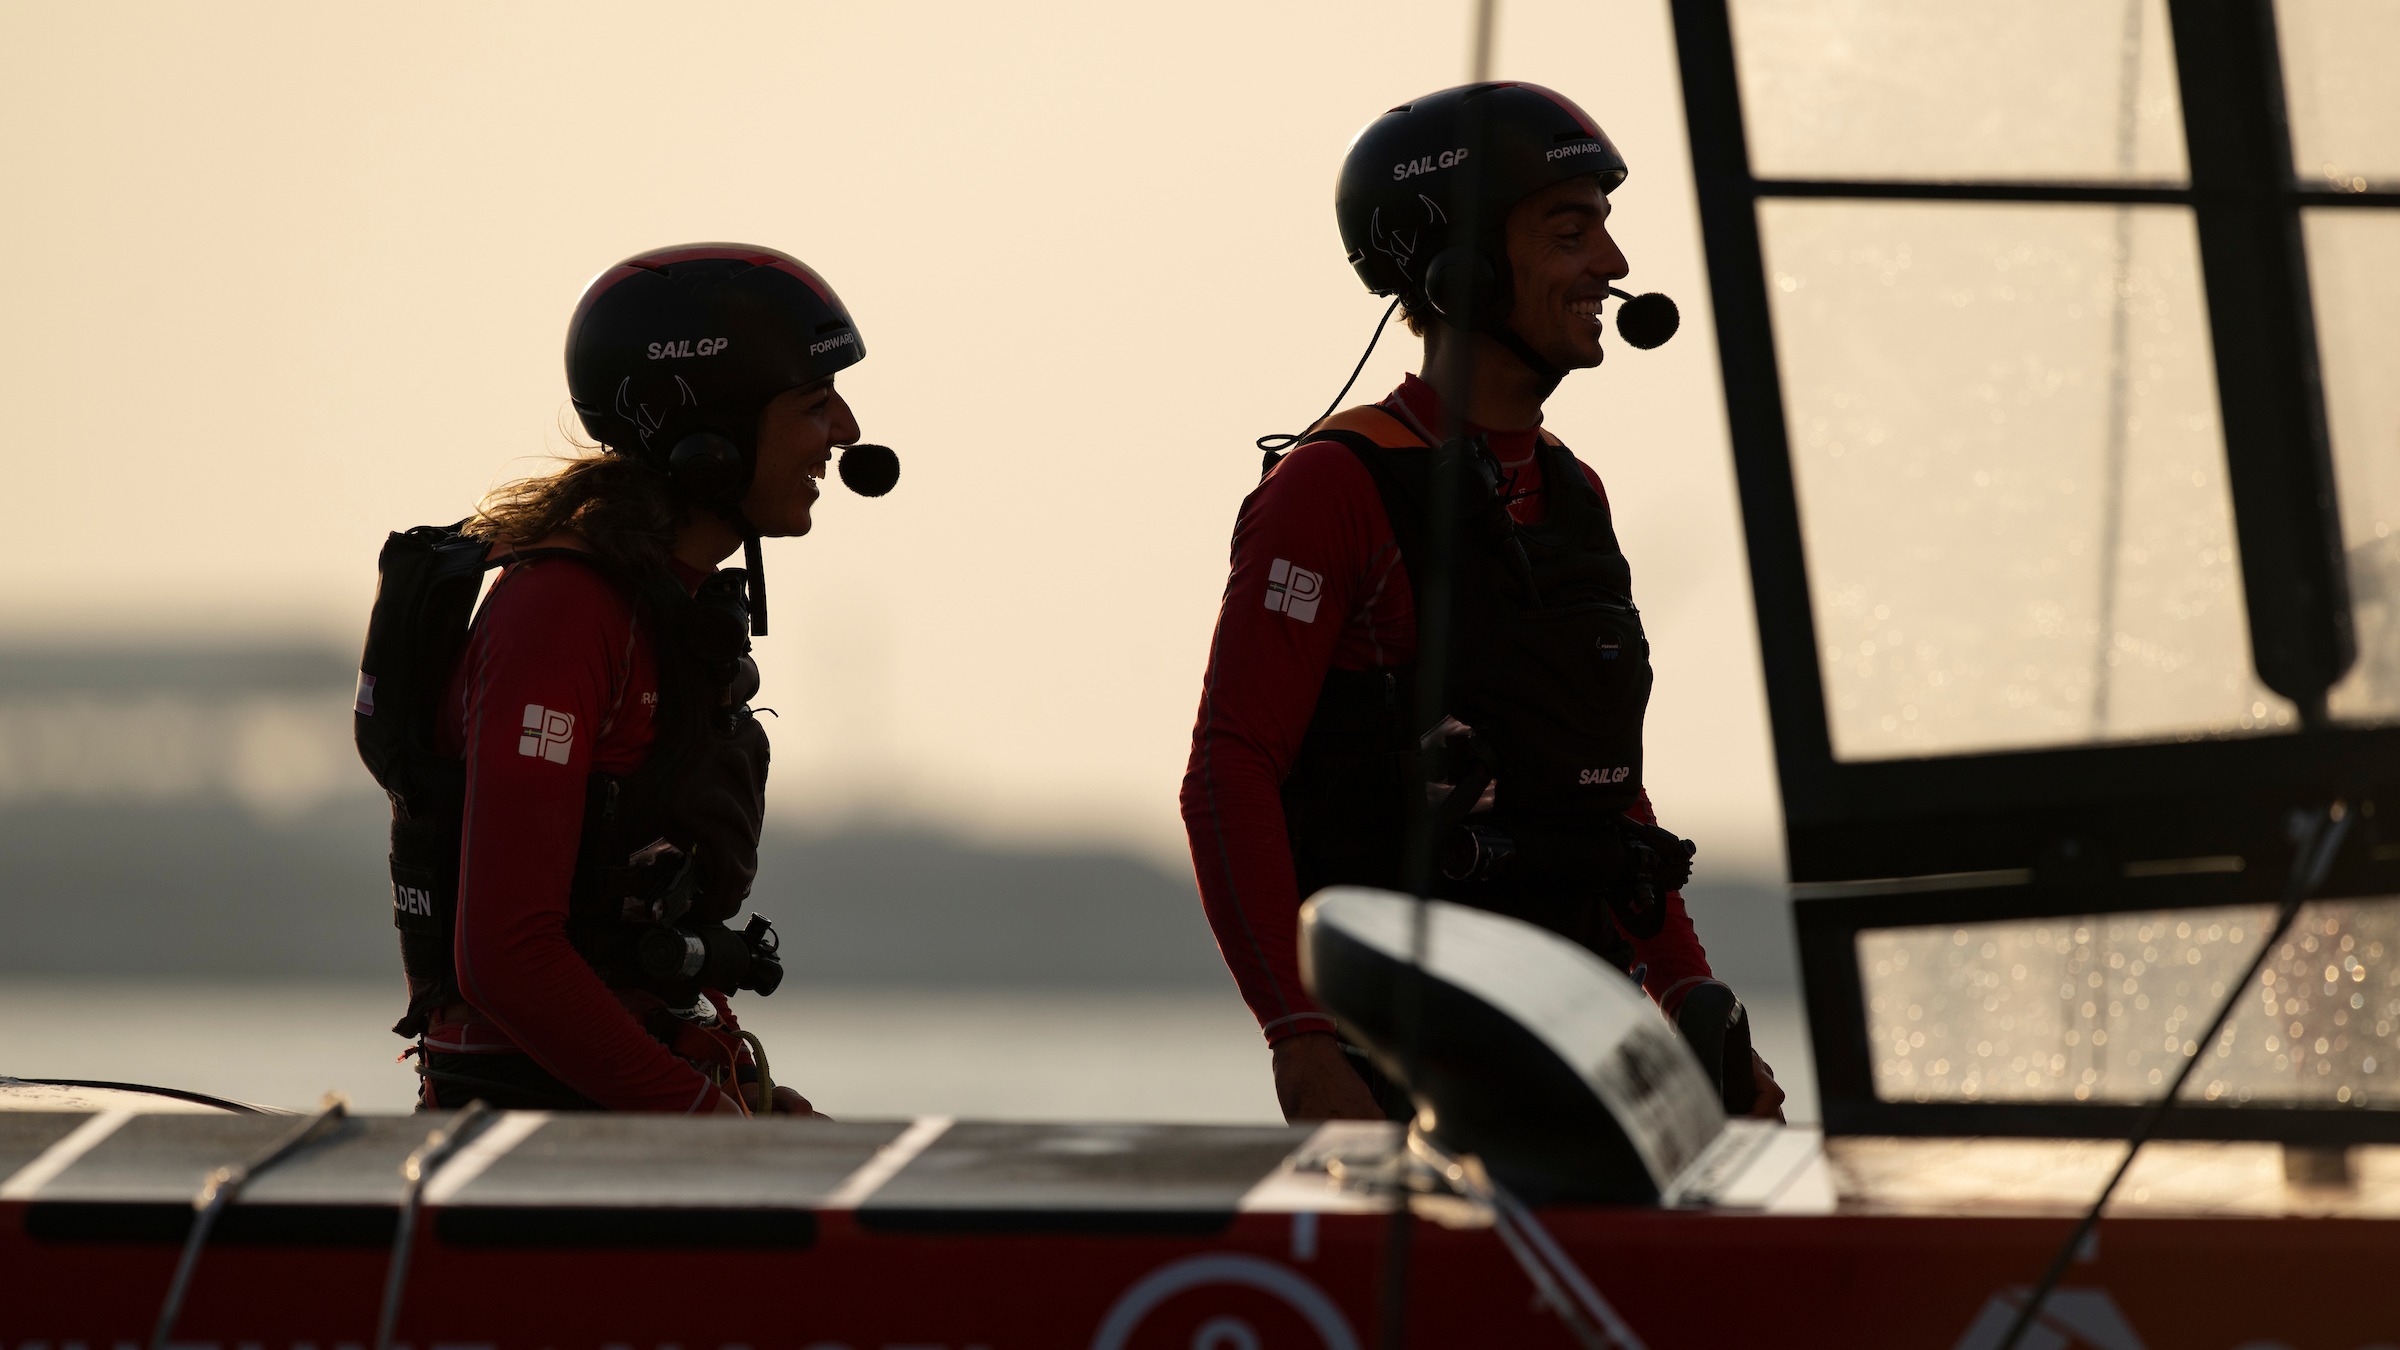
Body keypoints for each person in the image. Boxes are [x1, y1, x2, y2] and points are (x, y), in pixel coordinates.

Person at [1179, 84, 1786, 1123]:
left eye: (1606, 228)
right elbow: (1229, 774)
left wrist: (1692, 996)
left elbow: (1602, 802)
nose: (1613, 264)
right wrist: (1301, 1039)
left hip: (1587, 1051)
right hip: (1420, 1065)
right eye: (1571, 230)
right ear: (1459, 267)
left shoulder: (1573, 489)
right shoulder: (1335, 489)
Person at [359, 244, 865, 1114]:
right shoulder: (563, 613)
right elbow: (509, 959)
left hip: (620, 1101)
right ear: (710, 437)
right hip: (539, 1133)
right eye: (815, 404)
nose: (847, 431)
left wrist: (744, 1107)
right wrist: (710, 1129)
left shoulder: (665, 604)